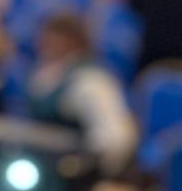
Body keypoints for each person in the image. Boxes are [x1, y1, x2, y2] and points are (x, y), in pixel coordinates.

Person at [26, 14, 137, 176]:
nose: (43, 43)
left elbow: (114, 137)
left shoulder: (90, 81)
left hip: (71, 171)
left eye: (53, 38)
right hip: (43, 163)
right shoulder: (49, 69)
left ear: (72, 41)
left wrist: (85, 168)